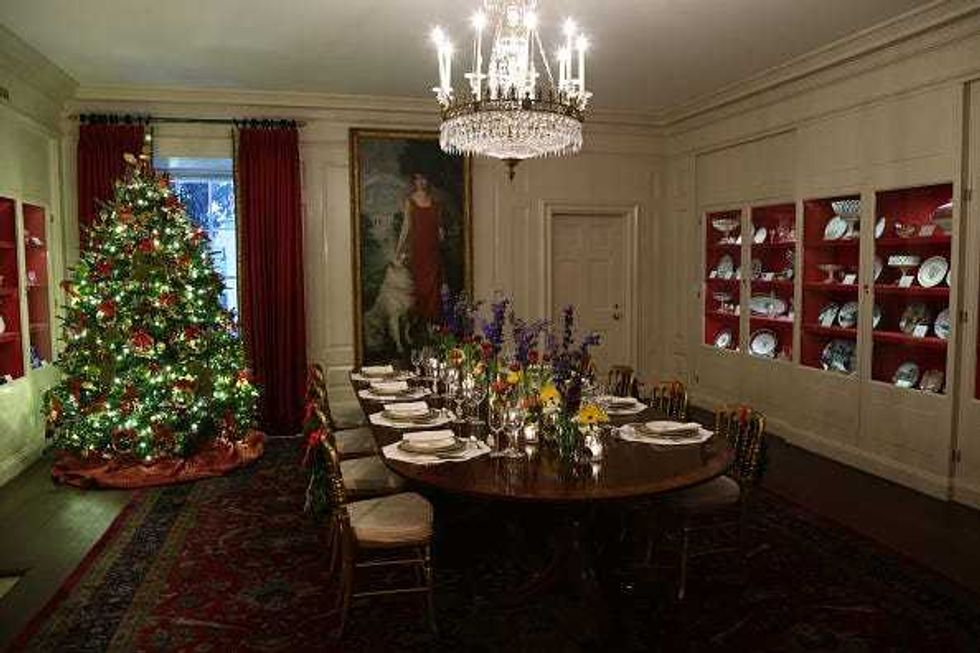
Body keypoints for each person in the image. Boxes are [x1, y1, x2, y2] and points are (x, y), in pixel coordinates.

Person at [394, 172, 443, 321]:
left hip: (432, 251)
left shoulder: (435, 202)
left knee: (434, 287)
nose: (421, 182)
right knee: (418, 286)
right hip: (417, 251)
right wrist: (399, 249)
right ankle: (419, 323)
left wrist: (441, 233)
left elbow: (439, 228)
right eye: (418, 178)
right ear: (414, 181)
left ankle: (432, 324)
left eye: (424, 178)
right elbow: (406, 227)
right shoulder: (410, 202)